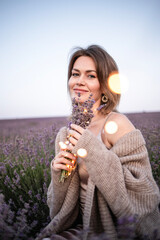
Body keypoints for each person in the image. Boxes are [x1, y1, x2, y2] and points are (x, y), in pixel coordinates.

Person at [36, 45, 160, 240]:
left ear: (104, 84)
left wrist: (90, 148)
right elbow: (57, 213)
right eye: (75, 74)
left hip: (115, 230)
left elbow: (144, 198)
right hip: (79, 228)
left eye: (91, 76)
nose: (79, 81)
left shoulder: (116, 124)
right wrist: (59, 173)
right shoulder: (64, 135)